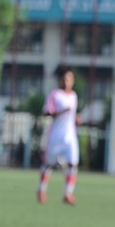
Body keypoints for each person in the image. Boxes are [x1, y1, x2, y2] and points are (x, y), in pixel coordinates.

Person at [37, 64, 81, 205]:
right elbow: (47, 112)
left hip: (70, 136)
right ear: (61, 79)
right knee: (48, 165)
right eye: (65, 78)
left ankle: (68, 193)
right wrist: (61, 112)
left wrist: (76, 119)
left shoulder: (74, 96)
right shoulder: (55, 95)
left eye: (70, 78)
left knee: (72, 164)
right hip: (56, 135)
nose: (67, 80)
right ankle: (41, 190)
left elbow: (71, 115)